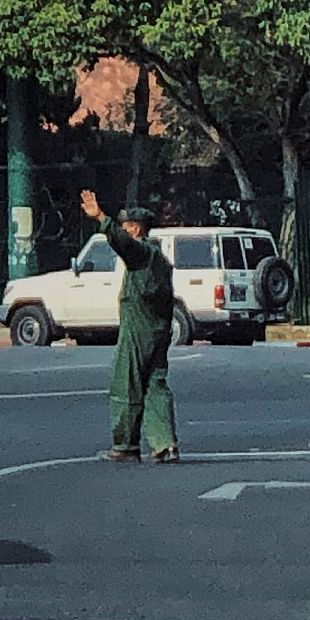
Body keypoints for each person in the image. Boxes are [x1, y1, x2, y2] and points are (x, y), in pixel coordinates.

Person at [79, 190, 179, 464]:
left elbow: (121, 242)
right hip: (159, 329)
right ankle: (164, 443)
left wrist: (100, 217)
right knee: (155, 384)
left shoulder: (141, 253)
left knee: (126, 384)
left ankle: (125, 445)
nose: (123, 229)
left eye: (126, 225)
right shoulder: (159, 258)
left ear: (135, 229)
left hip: (138, 329)